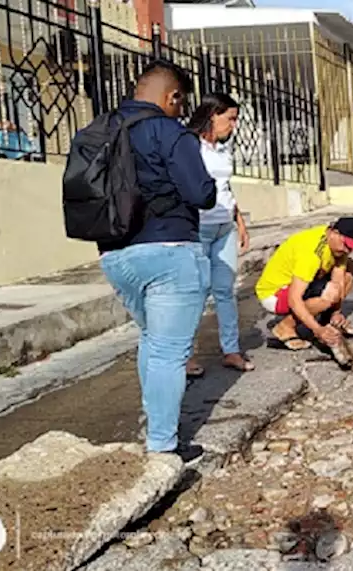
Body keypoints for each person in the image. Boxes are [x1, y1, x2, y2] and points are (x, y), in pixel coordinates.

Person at [95, 60, 216, 463]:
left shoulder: (100, 131)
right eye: (181, 103)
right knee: (168, 352)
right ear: (172, 97)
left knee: (151, 342)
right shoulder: (169, 131)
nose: (181, 111)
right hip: (169, 251)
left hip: (115, 254)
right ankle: (163, 447)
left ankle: (156, 427)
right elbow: (201, 194)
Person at [184, 93, 253, 377]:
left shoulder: (223, 150)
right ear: (213, 114)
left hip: (224, 226)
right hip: (198, 226)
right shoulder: (189, 146)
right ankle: (184, 354)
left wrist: (240, 221)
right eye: (230, 118)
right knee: (196, 292)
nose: (233, 125)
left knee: (225, 290)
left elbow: (225, 187)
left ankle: (231, 350)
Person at [257, 217, 353, 352]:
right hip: (275, 293)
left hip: (304, 282)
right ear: (334, 233)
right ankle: (285, 327)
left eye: (351, 247)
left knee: (350, 266)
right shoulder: (311, 254)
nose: (347, 250)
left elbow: (338, 281)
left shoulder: (338, 247)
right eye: (346, 245)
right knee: (328, 295)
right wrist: (318, 330)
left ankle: (327, 319)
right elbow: (294, 299)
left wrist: (336, 313)